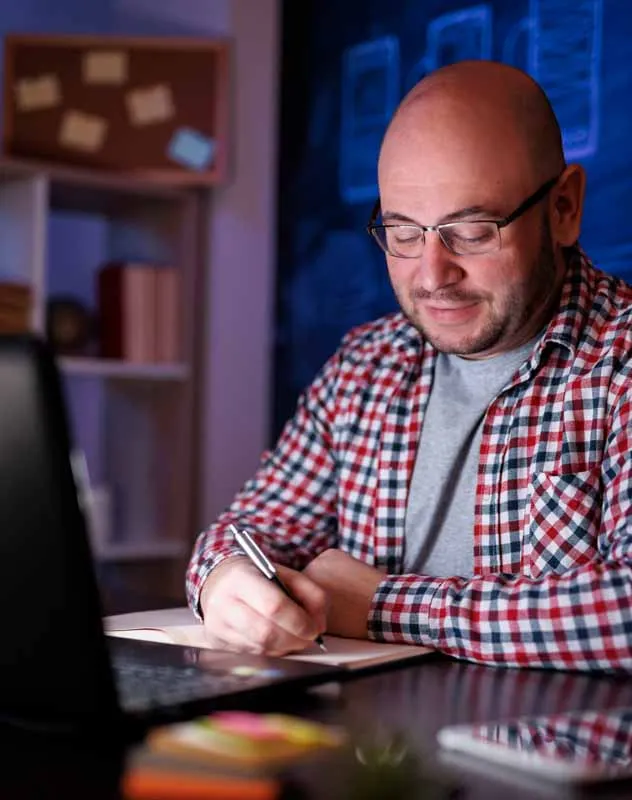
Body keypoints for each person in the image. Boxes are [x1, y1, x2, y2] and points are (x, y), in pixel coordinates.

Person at [186, 59, 632, 673]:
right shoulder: (366, 366)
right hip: (371, 762)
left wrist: (380, 605)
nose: (431, 275)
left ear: (563, 209)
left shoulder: (620, 362)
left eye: (472, 231)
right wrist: (225, 581)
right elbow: (251, 529)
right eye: (401, 232)